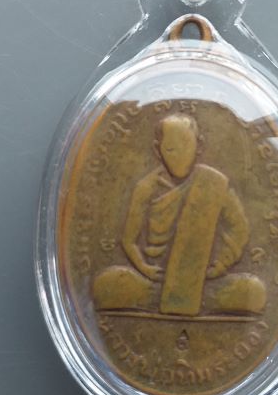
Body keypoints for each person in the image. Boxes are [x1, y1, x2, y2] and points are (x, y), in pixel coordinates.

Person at [94, 113, 266, 316]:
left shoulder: (215, 183)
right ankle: (172, 298)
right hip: (155, 282)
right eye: (171, 149)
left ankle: (178, 299)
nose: (180, 156)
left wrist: (221, 265)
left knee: (254, 291)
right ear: (157, 150)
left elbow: (239, 228)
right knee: (106, 285)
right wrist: (145, 269)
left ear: (199, 146)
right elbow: (128, 240)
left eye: (187, 146)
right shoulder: (146, 188)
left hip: (202, 282)